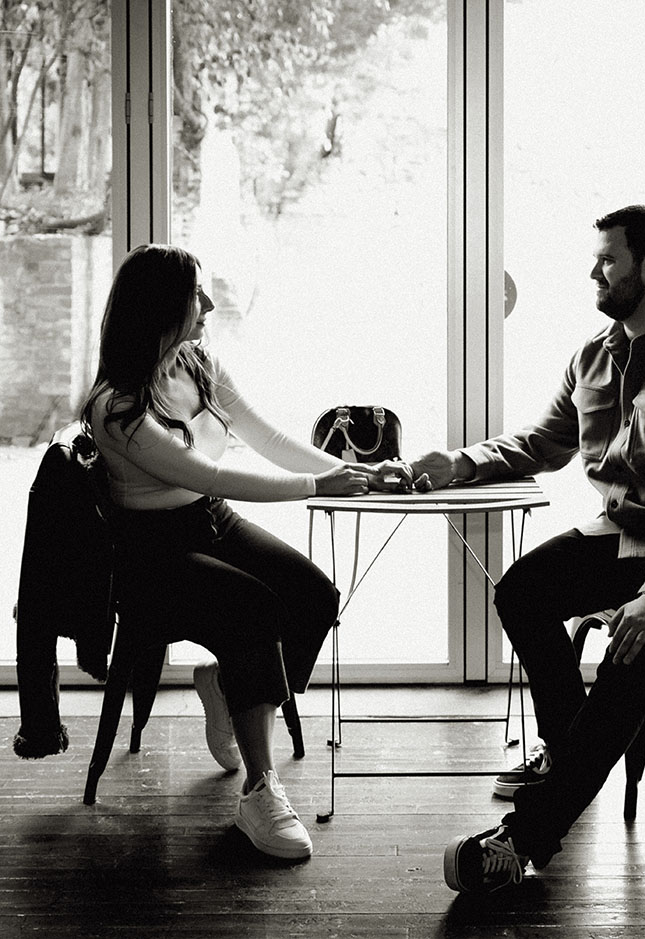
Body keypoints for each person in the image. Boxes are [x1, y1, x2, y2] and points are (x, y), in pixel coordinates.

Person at [411, 205, 645, 894]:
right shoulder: (594, 355)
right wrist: (459, 462)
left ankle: (523, 839)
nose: (593, 271)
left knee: (625, 664)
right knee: (519, 590)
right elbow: (541, 443)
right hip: (623, 533)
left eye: (607, 258)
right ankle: (572, 755)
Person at [80, 243, 413, 861]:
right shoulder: (115, 406)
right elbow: (212, 474)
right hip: (151, 554)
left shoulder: (197, 363)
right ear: (161, 308)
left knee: (314, 595)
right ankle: (260, 793)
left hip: (209, 521)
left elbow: (263, 437)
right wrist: (319, 487)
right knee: (252, 610)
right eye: (196, 295)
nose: (209, 304)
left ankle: (227, 684)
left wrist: (354, 472)